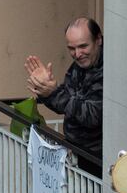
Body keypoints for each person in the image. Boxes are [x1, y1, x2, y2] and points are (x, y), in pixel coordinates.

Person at [24, 17, 103, 177]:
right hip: (75, 156)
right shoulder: (78, 67)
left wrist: (54, 92)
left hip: (98, 161)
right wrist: (45, 91)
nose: (77, 54)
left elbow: (93, 116)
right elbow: (65, 106)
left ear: (98, 40)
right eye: (71, 48)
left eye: (83, 46)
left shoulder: (110, 69)